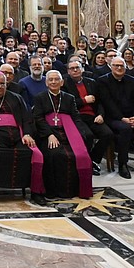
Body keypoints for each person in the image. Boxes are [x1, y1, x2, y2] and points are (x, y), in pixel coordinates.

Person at [0, 72, 44, 206]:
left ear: (7, 84)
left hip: (18, 137)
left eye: (2, 83)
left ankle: (35, 192)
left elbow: (27, 120)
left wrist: (27, 134)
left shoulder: (16, 98)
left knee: (31, 153)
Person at [33, 71, 92, 199]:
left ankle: (73, 190)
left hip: (68, 132)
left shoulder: (69, 98)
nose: (53, 82)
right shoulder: (40, 97)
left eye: (56, 79)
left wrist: (80, 134)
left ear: (62, 82)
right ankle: (53, 191)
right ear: (46, 82)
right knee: (54, 154)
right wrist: (49, 135)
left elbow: (76, 117)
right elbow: (38, 118)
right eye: (51, 80)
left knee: (79, 154)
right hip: (48, 133)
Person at [96, 57, 134, 179]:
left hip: (132, 117)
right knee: (125, 129)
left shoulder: (133, 81)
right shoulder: (103, 81)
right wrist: (122, 118)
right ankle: (123, 164)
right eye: (116, 65)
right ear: (111, 67)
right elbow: (107, 103)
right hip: (113, 117)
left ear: (126, 67)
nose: (119, 68)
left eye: (121, 66)